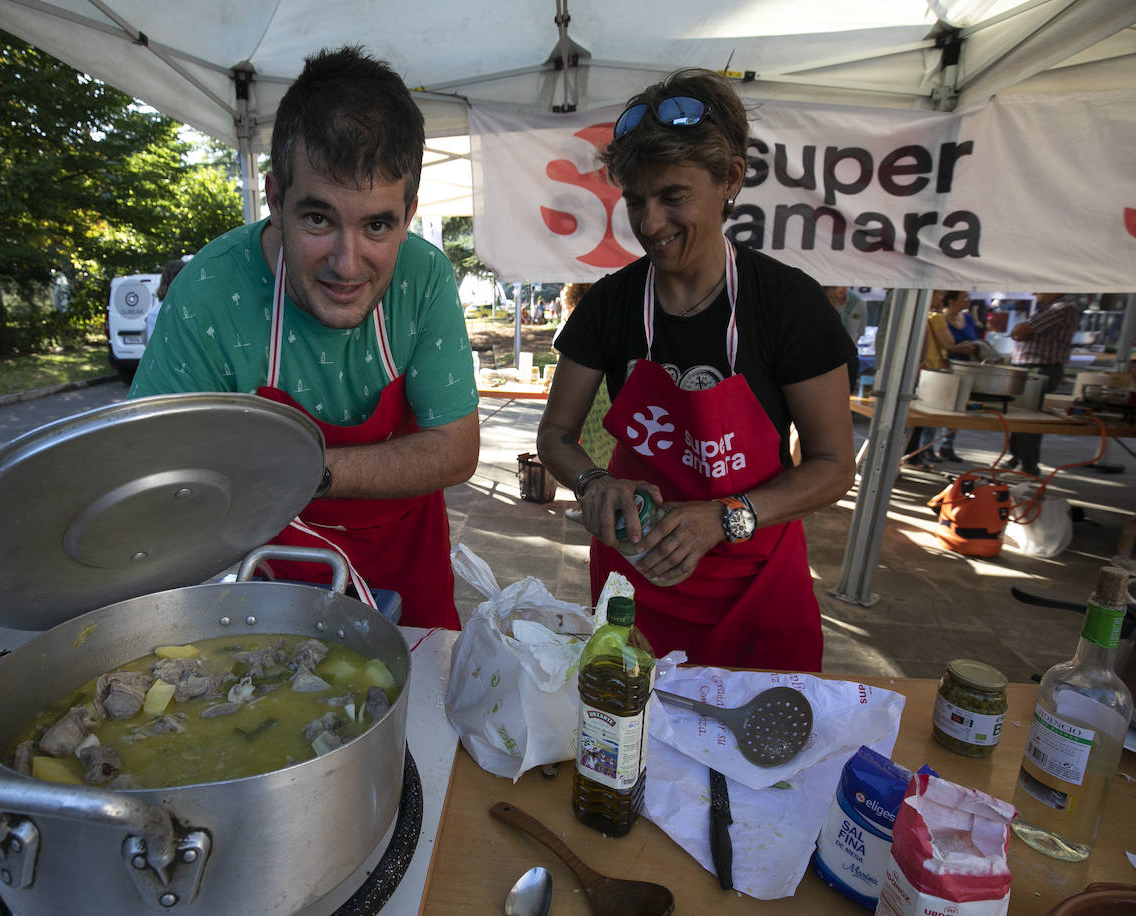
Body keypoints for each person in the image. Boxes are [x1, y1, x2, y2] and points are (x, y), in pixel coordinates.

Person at [130, 47, 479, 630]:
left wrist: (299, 472)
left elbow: (455, 449)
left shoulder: (424, 276)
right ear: (275, 200)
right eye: (318, 219)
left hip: (410, 573)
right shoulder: (210, 291)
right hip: (276, 580)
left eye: (377, 225)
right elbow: (155, 467)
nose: (347, 265)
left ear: (409, 213)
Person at [538, 69, 856, 671]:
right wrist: (593, 483)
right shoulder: (608, 304)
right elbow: (555, 435)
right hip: (636, 586)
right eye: (636, 201)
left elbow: (834, 466)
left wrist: (725, 517)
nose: (650, 223)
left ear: (731, 178)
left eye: (673, 197)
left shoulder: (789, 306)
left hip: (755, 588)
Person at [1006, 292, 1081, 476]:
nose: (1034, 292)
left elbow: (1020, 331)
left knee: (1029, 417)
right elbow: (1018, 332)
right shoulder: (1049, 308)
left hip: (1041, 368)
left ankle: (1028, 466)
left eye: (1039, 288)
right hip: (1032, 367)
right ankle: (1017, 458)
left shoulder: (1062, 308)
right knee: (1019, 414)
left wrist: (1020, 332)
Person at [905, 289, 978, 465]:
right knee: (929, 416)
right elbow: (949, 343)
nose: (940, 298)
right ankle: (919, 453)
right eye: (938, 295)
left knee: (924, 416)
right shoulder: (935, 318)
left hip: (929, 369)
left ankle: (919, 452)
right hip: (935, 370)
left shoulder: (926, 316)